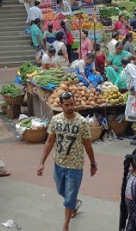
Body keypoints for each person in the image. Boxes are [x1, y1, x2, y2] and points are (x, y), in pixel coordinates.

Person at [37, 91, 98, 231]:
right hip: (58, 163)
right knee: (60, 190)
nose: (70, 107)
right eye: (67, 105)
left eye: (72, 104)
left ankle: (65, 226)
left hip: (75, 166)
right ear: (61, 105)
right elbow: (49, 142)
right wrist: (42, 163)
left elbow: (87, 144)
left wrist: (93, 163)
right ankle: (74, 203)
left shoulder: (82, 122)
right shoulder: (56, 120)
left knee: (69, 197)